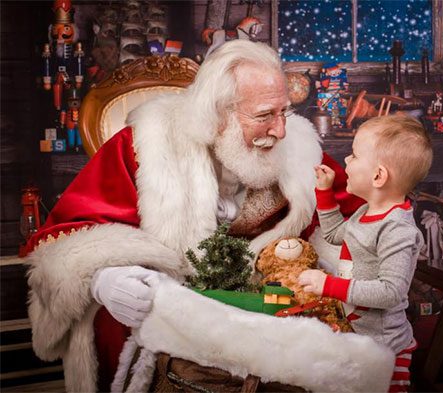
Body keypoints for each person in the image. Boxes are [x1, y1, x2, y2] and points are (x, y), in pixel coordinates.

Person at [23, 40, 364, 392]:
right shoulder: (144, 144)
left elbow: (353, 222)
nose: (280, 130)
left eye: (283, 112)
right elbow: (64, 238)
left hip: (265, 310)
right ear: (217, 116)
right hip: (172, 308)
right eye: (264, 116)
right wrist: (103, 278)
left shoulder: (296, 152)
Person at [298, 114, 433, 392]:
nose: (346, 161)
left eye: (354, 156)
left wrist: (329, 285)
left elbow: (390, 292)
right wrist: (324, 194)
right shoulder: (365, 212)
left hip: (386, 347)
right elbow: (335, 234)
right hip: (359, 338)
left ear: (378, 176)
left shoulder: (398, 230)